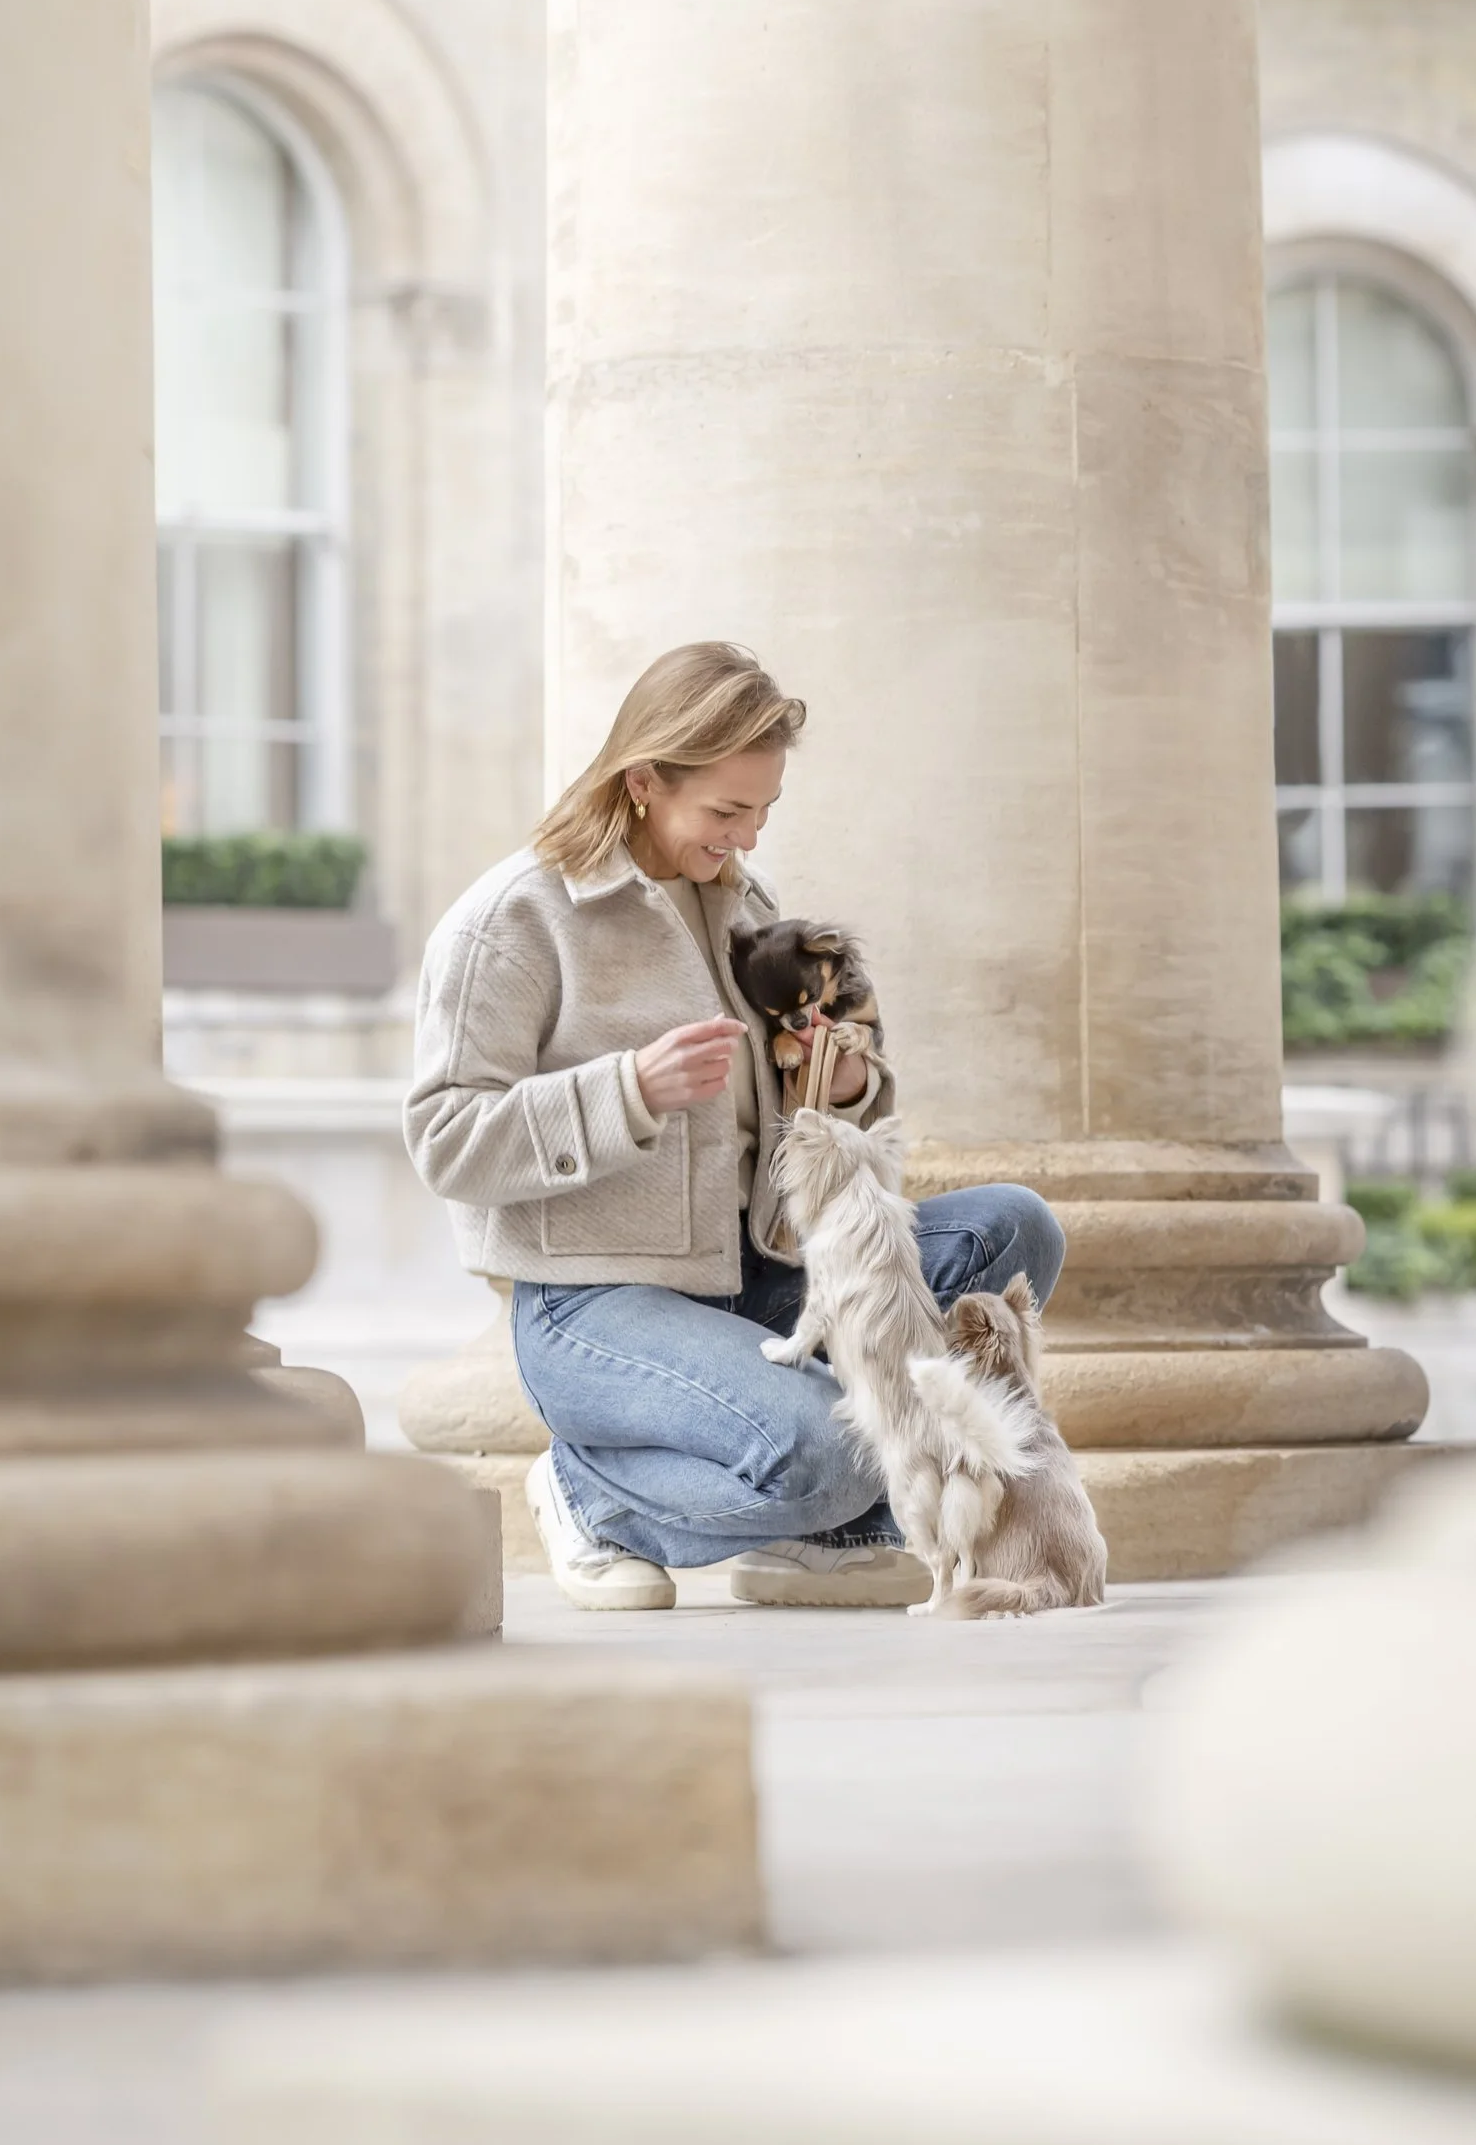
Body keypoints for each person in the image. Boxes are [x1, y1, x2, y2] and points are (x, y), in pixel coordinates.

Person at [403, 641, 1065, 1609]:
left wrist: (837, 1094)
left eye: (762, 811)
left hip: (757, 1276)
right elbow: (444, 1137)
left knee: (1015, 1229)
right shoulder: (512, 920)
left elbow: (787, 1130)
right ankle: (594, 1498)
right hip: (591, 1305)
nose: (748, 838)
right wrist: (626, 1090)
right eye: (725, 811)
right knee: (835, 1444)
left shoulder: (741, 907)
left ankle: (829, 1524)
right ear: (641, 782)